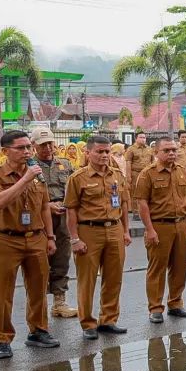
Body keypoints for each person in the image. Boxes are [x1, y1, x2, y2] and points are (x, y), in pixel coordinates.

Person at [0, 130, 60, 359]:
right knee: (2, 292)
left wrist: (50, 237)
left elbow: (45, 206)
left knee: (38, 289)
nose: (27, 151)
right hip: (7, 238)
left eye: (28, 147)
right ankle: (3, 338)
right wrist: (25, 179)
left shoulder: (37, 173)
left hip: (36, 237)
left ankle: (38, 331)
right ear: (5, 151)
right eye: (21, 148)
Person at [63, 135, 131, 339]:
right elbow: (71, 210)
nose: (104, 155)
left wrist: (126, 231)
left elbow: (125, 204)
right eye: (99, 151)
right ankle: (88, 323)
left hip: (114, 229)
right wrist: (74, 238)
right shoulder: (78, 178)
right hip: (89, 230)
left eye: (107, 151)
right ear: (88, 152)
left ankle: (109, 319)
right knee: (87, 279)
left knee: (114, 277)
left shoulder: (117, 175)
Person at [135, 137, 186, 323]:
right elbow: (142, 203)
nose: (171, 153)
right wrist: (149, 229)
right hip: (159, 225)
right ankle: (155, 308)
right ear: (157, 152)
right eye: (167, 150)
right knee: (157, 268)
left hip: (180, 224)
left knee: (179, 267)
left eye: (174, 150)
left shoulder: (182, 171)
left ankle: (176, 303)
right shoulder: (148, 174)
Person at [30, 129, 79, 319]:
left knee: (61, 259)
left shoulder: (65, 164)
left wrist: (67, 204)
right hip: (38, 219)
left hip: (63, 218)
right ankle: (37, 305)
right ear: (34, 145)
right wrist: (47, 206)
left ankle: (59, 302)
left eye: (50, 143)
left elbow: (75, 188)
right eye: (43, 144)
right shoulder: (29, 167)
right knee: (39, 262)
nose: (48, 147)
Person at [124, 133, 153, 215]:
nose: (143, 139)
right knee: (135, 193)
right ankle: (136, 212)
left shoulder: (149, 149)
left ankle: (147, 211)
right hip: (135, 173)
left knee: (148, 192)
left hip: (147, 173)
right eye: (141, 137)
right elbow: (128, 163)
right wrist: (128, 177)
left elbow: (153, 162)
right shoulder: (131, 149)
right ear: (136, 138)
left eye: (144, 137)